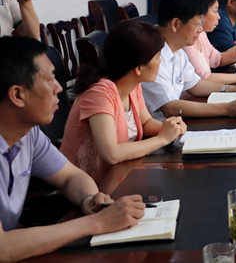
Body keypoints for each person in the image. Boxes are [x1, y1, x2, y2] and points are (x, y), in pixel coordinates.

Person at [0, 37, 145, 262]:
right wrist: (97, 222)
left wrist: (89, 199)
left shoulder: (29, 135)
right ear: (18, 95)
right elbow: (3, 247)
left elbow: (71, 176)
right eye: (50, 79)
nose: (59, 88)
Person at [60, 21, 187, 182]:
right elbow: (111, 154)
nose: (160, 62)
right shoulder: (99, 94)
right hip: (87, 186)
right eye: (157, 57)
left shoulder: (132, 85)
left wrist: (170, 128)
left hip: (120, 174)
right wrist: (162, 139)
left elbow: (145, 122)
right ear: (138, 68)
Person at [140, 0, 236, 121]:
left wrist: (232, 89)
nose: (200, 29)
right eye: (198, 23)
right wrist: (227, 108)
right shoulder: (151, 54)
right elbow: (170, 107)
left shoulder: (177, 49)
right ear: (176, 24)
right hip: (160, 128)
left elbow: (195, 85)